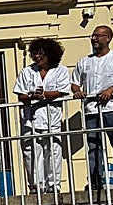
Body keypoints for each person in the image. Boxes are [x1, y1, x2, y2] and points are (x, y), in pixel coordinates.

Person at [72, 26, 113, 192]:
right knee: (94, 146)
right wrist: (77, 91)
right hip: (91, 109)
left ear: (108, 38)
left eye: (97, 35)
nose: (93, 38)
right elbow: (74, 83)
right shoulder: (84, 61)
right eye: (92, 35)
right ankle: (95, 180)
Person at [14, 38, 71, 195]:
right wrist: (32, 96)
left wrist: (44, 95)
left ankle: (53, 185)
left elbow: (62, 91)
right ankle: (36, 186)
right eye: (34, 54)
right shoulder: (27, 72)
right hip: (30, 119)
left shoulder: (61, 70)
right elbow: (20, 95)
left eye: (41, 54)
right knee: (32, 152)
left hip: (52, 118)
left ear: (50, 54)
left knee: (53, 151)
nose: (37, 57)